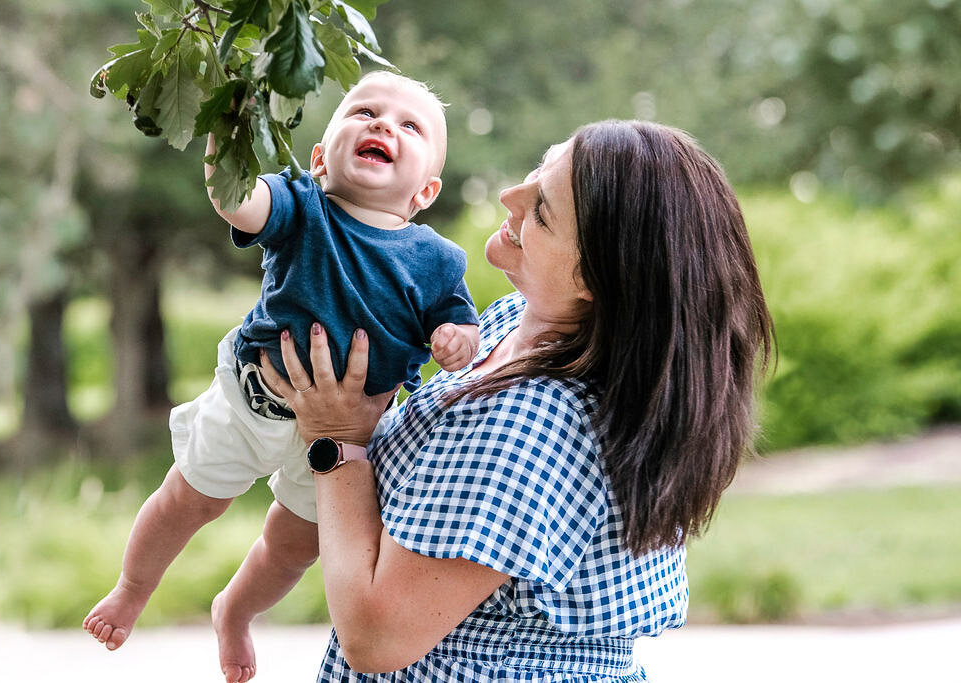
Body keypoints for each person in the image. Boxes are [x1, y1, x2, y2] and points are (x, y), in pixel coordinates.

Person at [245, 118, 775, 681]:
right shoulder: (509, 326)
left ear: (595, 277)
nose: (509, 196)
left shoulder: (534, 418)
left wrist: (338, 441)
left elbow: (377, 637)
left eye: (542, 210)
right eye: (537, 170)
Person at [82, 70, 481, 681]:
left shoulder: (438, 260)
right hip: (255, 400)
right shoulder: (302, 206)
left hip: (341, 439)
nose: (382, 125)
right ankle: (133, 589)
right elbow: (236, 200)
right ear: (321, 159)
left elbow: (456, 323)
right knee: (188, 499)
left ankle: (235, 611)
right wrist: (226, 130)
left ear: (425, 190)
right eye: (364, 112)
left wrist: (457, 339)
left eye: (409, 126)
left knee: (293, 544)